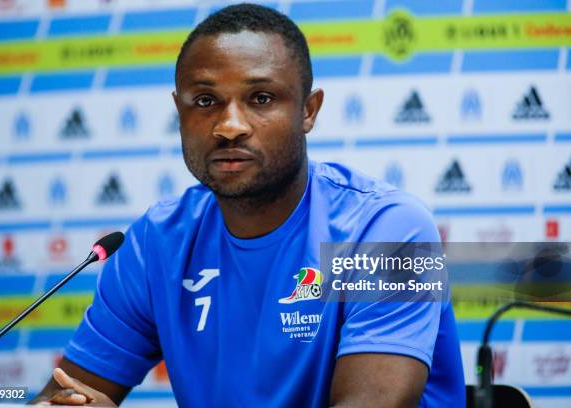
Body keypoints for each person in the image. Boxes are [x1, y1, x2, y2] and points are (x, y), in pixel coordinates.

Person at [32, 3, 465, 407]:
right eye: (205, 101)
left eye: (260, 99)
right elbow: (69, 391)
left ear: (309, 111)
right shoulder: (155, 242)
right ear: (178, 112)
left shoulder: (387, 229)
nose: (229, 126)